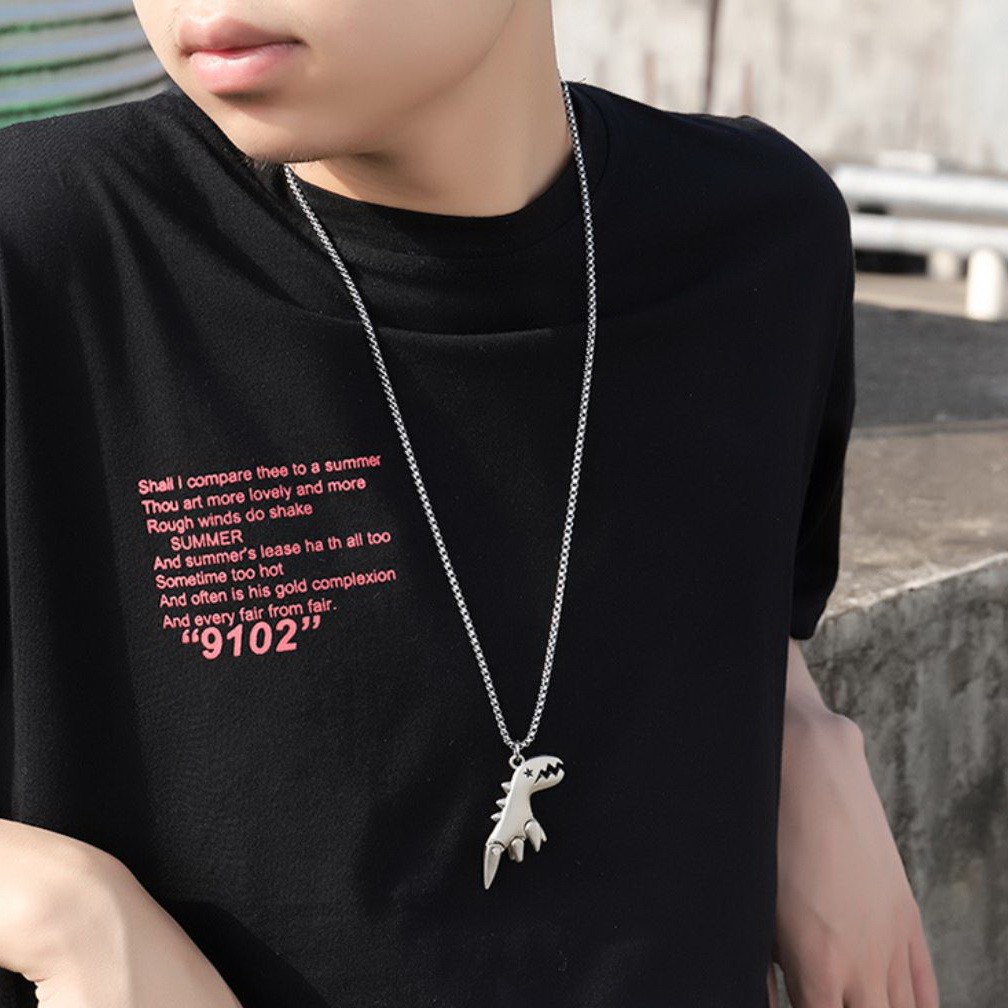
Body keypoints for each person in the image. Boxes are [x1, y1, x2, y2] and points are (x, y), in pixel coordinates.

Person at [0, 1, 940, 1006]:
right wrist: (62, 912)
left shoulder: (759, 241)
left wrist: (797, 730)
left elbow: (716, 583)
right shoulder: (46, 248)